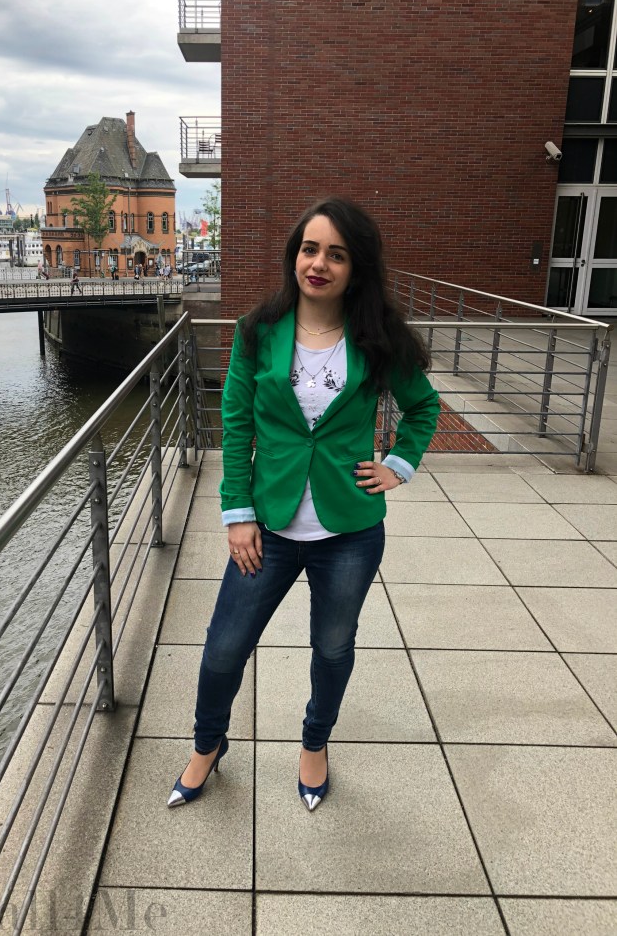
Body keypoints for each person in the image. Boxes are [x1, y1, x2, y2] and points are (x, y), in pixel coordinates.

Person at [168, 197, 440, 811]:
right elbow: (235, 426)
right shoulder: (257, 332)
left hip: (349, 533)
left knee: (333, 647)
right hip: (268, 526)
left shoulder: (376, 340)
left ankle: (314, 744)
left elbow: (424, 408)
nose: (318, 263)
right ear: (294, 255)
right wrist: (237, 514)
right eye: (309, 249)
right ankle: (207, 745)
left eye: (335, 254)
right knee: (223, 648)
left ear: (356, 267)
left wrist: (398, 464)